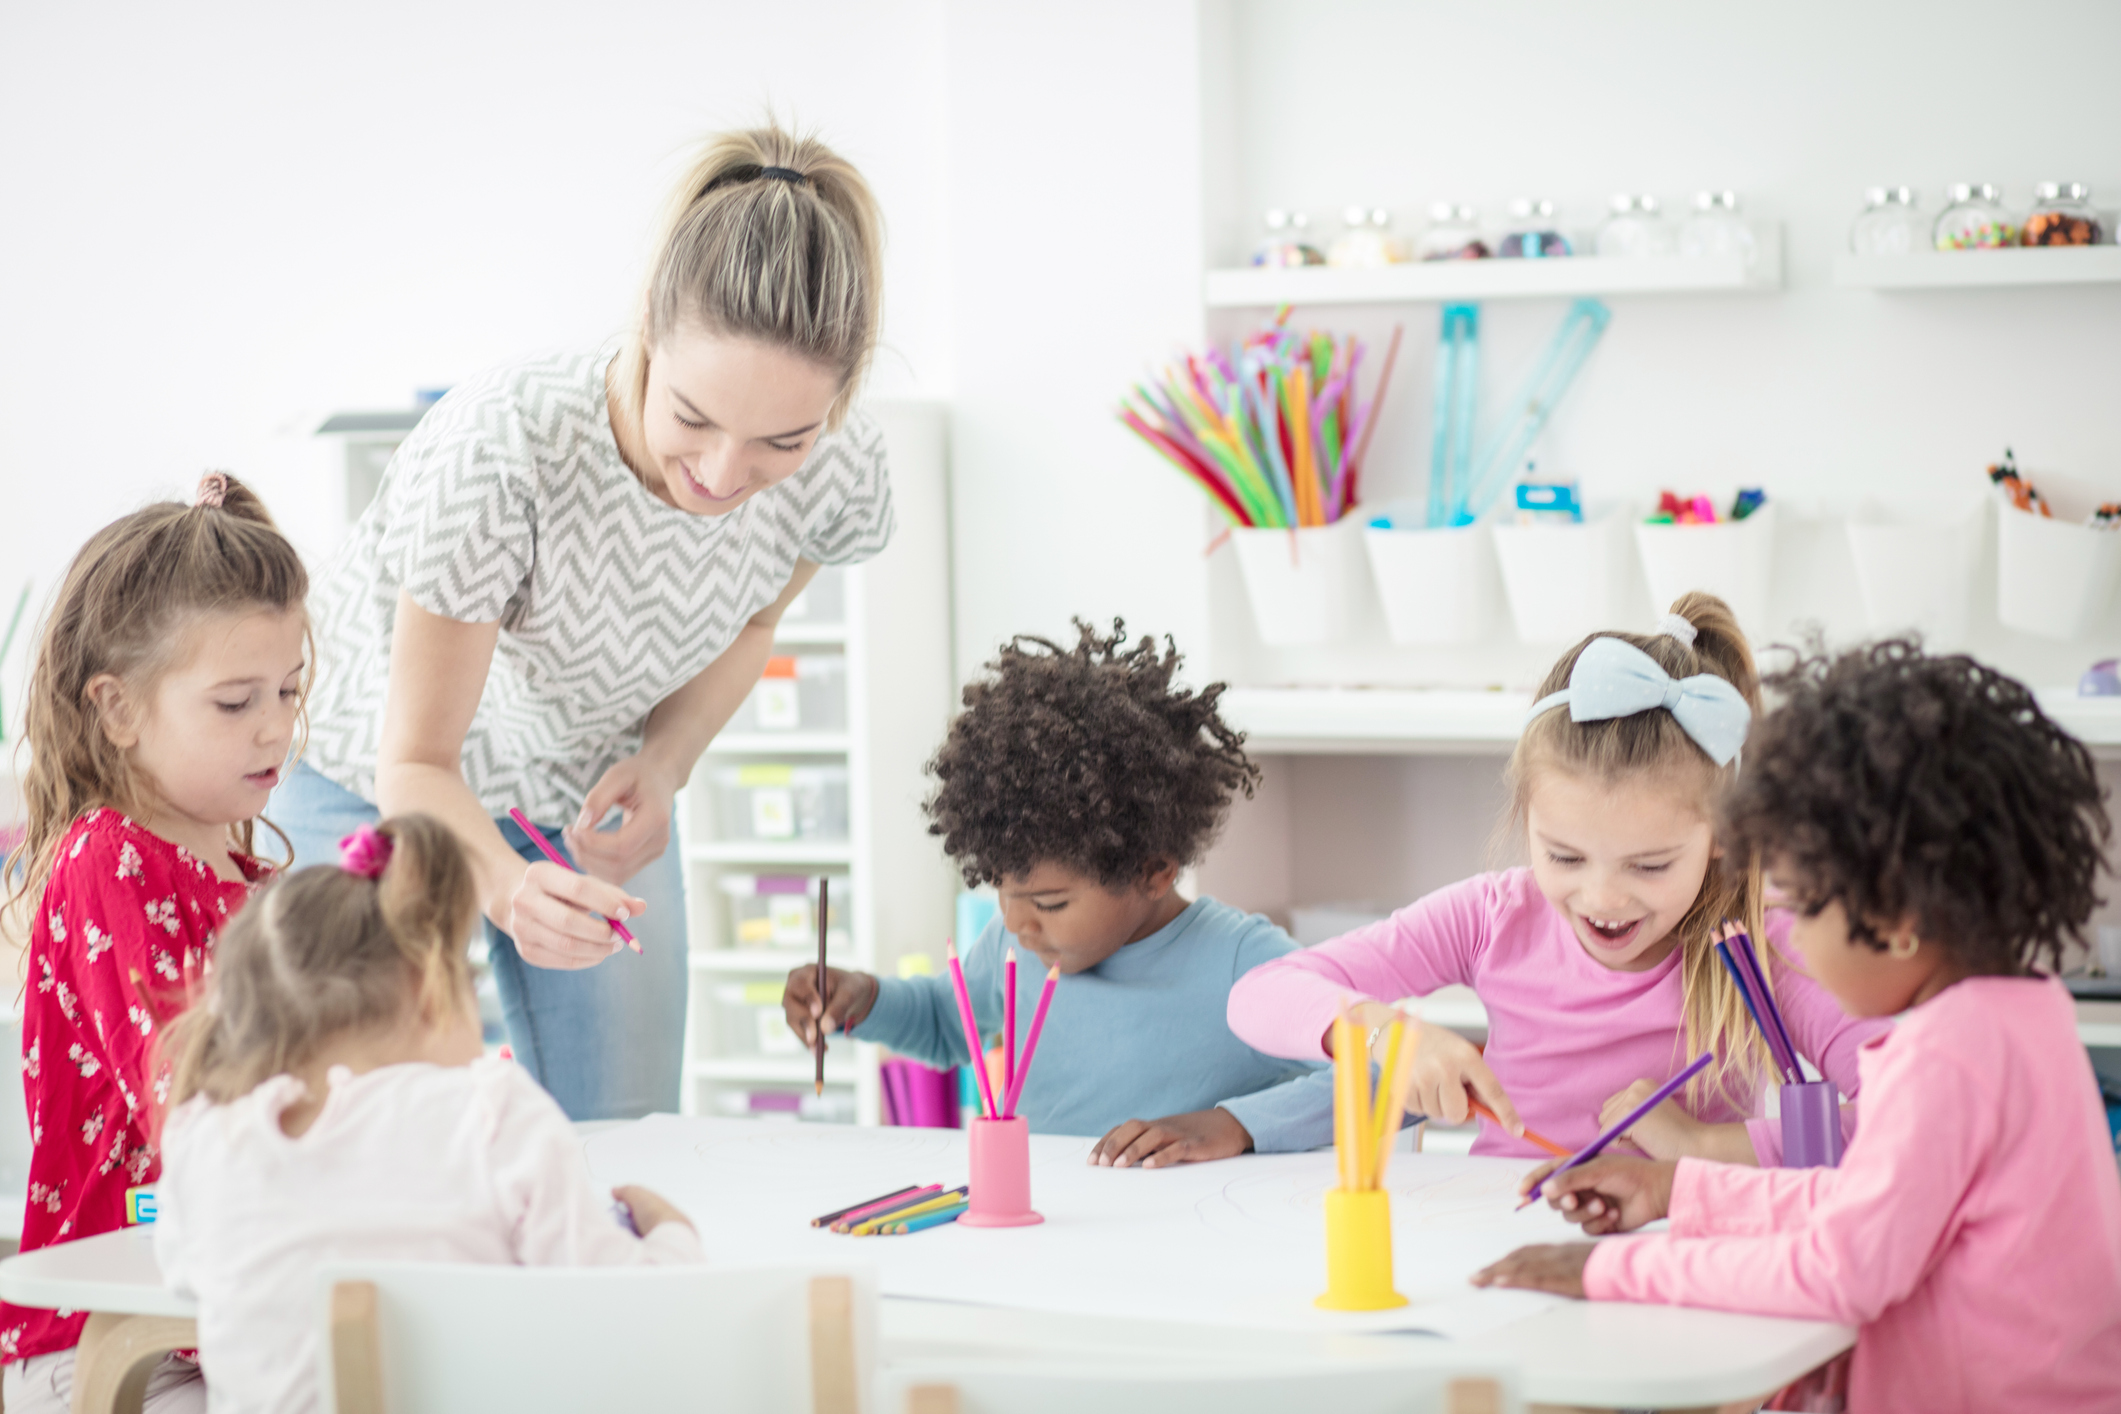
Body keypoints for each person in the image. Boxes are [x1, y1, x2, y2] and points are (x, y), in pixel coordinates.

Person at [277, 123, 895, 1120]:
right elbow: (417, 762)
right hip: (374, 771)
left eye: (780, 439)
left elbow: (750, 627)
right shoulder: (504, 448)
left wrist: (664, 765)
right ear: (647, 327)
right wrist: (504, 889)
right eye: (693, 416)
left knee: (627, 1123)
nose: (724, 475)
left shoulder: (839, 468)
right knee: (355, 1117)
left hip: (574, 779)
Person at [1476, 640, 2121, 1414]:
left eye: (1806, 907)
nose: (1797, 941)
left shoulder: (1946, 1059)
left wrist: (1602, 1275)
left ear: (1895, 920)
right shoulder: (2021, 1010)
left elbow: (1837, 1271)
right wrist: (1677, 1191)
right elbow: (1868, 1205)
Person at [1228, 594, 1886, 1162]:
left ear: (1720, 839)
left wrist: (1704, 1147)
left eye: (1650, 865)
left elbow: (1909, 1110)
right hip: (1503, 1245)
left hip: (1667, 1252)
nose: (1602, 898)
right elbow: (1260, 993)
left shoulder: (1757, 941)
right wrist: (1383, 1033)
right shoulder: (1492, 916)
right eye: (1564, 857)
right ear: (1526, 817)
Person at [156, 814, 703, 1414]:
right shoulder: (494, 1113)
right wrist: (672, 1234)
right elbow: (632, 1313)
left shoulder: (204, 1136)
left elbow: (186, 1280)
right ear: (429, 988)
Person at [786, 620, 1350, 1167]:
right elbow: (944, 1022)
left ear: (1153, 871)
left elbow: (1388, 1069)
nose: (1016, 923)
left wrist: (1235, 1124)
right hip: (1045, 1234)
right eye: (1003, 893)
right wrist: (862, 999)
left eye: (1050, 903)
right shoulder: (1018, 948)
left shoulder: (1241, 964)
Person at [0, 474, 307, 1412]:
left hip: (218, 1310)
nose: (276, 725)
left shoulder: (250, 878)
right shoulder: (112, 862)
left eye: (289, 690)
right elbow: (191, 1095)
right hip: (113, 1331)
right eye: (234, 702)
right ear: (120, 710)